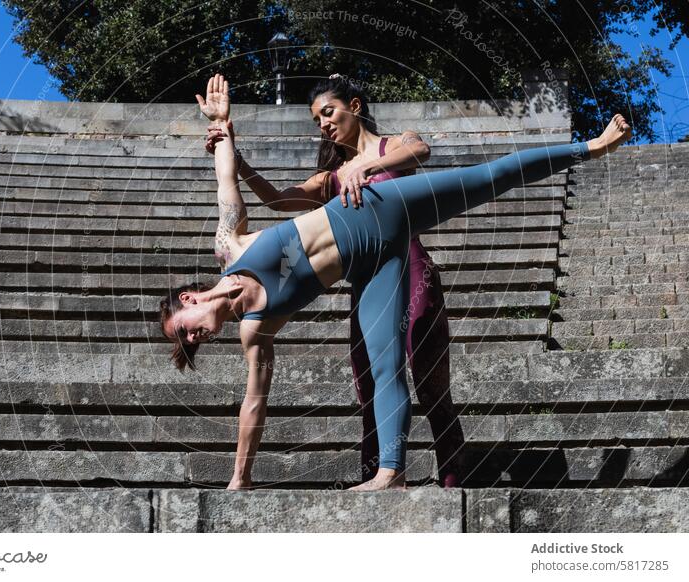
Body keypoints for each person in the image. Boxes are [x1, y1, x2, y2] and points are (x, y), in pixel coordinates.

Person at [162, 73, 633, 491]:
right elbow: (253, 405)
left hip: (379, 207)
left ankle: (590, 147)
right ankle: (392, 471)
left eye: (184, 329)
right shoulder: (255, 330)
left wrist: (223, 127)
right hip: (373, 268)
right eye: (191, 342)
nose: (195, 337)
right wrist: (239, 479)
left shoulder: (229, 245)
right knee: (382, 365)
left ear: (189, 298)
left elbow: (225, 181)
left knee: (489, 177)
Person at [202, 73, 464, 487]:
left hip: (413, 271)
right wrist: (236, 154)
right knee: (368, 380)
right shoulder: (331, 178)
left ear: (354, 107)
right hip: (367, 283)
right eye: (317, 119)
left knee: (430, 381)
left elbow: (420, 149)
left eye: (328, 112)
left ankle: (453, 480)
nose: (323, 124)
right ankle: (380, 476)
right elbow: (276, 199)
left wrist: (368, 166)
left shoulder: (390, 145)